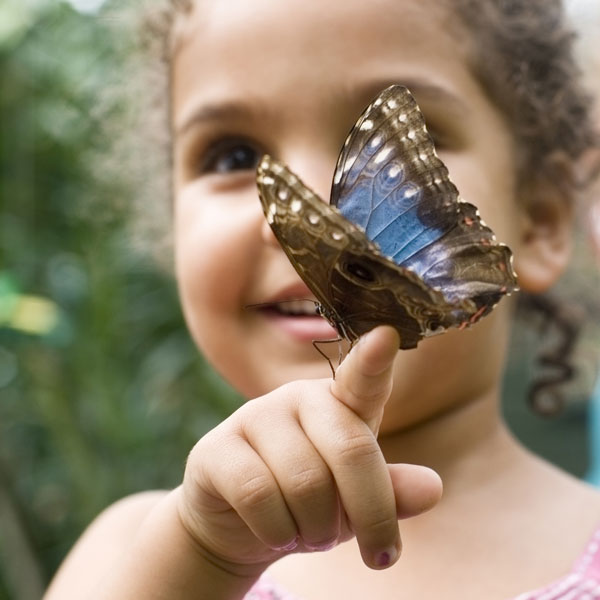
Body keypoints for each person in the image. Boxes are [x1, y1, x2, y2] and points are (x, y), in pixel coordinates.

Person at [44, 0, 600, 598]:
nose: (317, 196)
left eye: (432, 134)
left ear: (543, 218)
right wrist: (200, 558)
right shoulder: (129, 552)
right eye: (234, 155)